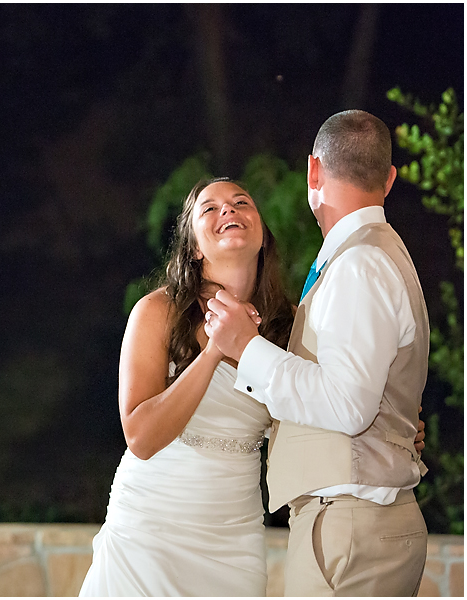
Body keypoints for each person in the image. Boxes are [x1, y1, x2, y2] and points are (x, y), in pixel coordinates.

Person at [205, 109, 429, 596]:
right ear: (388, 179)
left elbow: (349, 406)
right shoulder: (369, 255)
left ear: (313, 171)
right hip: (356, 523)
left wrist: (247, 348)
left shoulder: (359, 265)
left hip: (350, 524)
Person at [79, 177, 296, 596]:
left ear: (263, 236)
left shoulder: (291, 324)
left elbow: (319, 403)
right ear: (195, 247)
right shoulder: (157, 312)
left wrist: (390, 429)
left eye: (240, 202)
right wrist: (216, 350)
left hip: (233, 538)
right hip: (148, 529)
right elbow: (140, 437)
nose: (228, 211)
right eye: (209, 209)